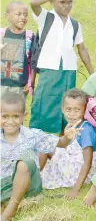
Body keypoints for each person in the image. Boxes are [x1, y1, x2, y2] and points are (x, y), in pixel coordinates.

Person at [1, 93, 81, 221]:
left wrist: (67, 137)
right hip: (4, 185)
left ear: (24, 116)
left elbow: (60, 143)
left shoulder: (32, 135)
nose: (10, 121)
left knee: (26, 158)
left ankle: (11, 209)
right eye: (5, 117)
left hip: (28, 185)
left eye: (16, 117)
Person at [29, 0, 93, 133]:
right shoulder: (45, 17)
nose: (67, 5)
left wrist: (92, 74)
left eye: (70, 2)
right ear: (52, 1)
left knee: (68, 105)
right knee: (44, 103)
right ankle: (38, 138)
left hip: (69, 70)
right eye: (62, 2)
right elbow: (33, 3)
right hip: (49, 68)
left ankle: (65, 139)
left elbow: (81, 49)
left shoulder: (75, 24)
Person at [40, 89, 96, 196]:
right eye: (68, 109)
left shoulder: (86, 129)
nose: (72, 114)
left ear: (84, 110)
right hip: (71, 162)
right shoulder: (71, 125)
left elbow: (88, 162)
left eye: (77, 110)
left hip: (78, 172)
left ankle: (31, 182)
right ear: (62, 109)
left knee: (44, 148)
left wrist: (76, 189)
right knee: (41, 146)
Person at [1, 1, 33, 96]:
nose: (23, 17)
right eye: (18, 14)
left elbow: (32, 62)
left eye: (25, 15)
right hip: (1, 85)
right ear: (7, 16)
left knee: (17, 110)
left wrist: (30, 83)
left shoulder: (29, 37)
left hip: (20, 86)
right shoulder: (1, 34)